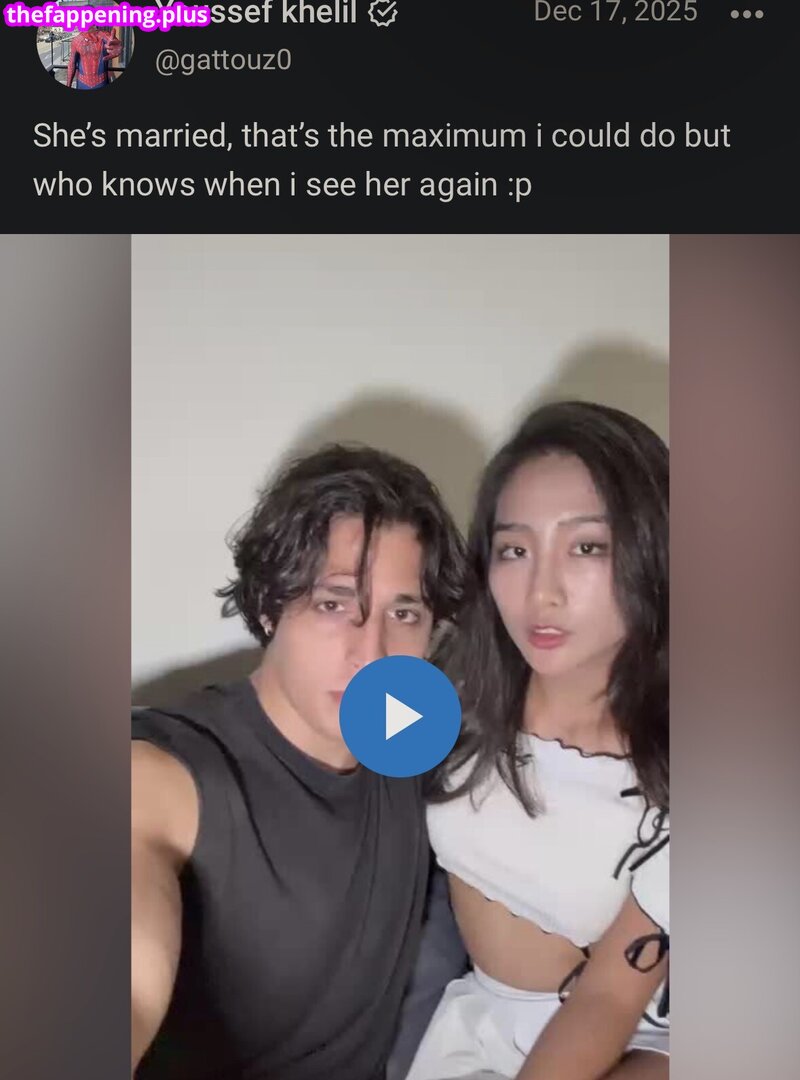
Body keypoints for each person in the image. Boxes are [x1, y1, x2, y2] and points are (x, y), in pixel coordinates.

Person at [131, 444, 467, 1080]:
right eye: (333, 604)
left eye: (403, 613)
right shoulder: (165, 774)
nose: (372, 652)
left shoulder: (421, 742)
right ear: (268, 607)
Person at [408, 401, 669, 1080]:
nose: (540, 592)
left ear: (653, 552)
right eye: (515, 550)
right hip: (478, 1028)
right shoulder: (447, 693)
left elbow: (611, 999)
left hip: (640, 1037)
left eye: (587, 547)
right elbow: (306, 742)